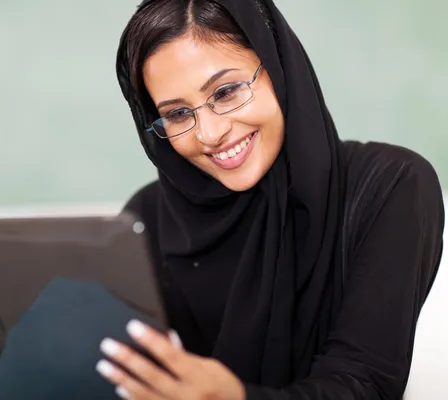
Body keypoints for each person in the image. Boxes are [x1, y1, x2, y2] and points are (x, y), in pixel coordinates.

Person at [94, 0, 445, 399]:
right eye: (176, 115)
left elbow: (364, 384)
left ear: (278, 69)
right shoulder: (147, 219)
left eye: (226, 92)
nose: (208, 133)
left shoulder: (389, 187)